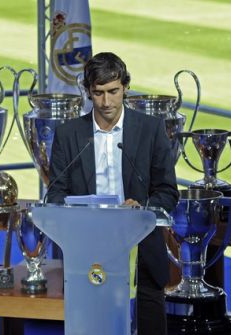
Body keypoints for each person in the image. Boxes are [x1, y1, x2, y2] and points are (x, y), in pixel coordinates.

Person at [46, 52, 179, 335]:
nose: (106, 102)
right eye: (98, 93)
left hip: (141, 249)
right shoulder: (69, 134)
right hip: (86, 252)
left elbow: (167, 191)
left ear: (126, 87)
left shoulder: (151, 129)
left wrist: (142, 208)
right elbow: (55, 193)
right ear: (88, 92)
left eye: (113, 92)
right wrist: (74, 213)